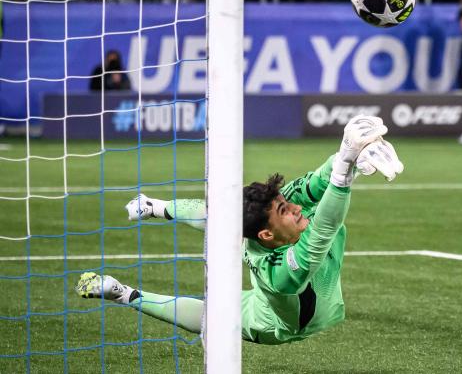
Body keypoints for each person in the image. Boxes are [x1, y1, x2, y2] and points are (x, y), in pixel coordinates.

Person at [75, 116, 404, 344]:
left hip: (272, 262)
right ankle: (126, 294)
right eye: (285, 211)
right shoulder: (281, 276)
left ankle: (154, 207)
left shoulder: (275, 213)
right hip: (274, 321)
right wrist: (345, 171)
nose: (296, 208)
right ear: (267, 235)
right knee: (211, 318)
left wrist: (351, 151)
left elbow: (321, 178)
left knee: (223, 217)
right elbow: (326, 225)